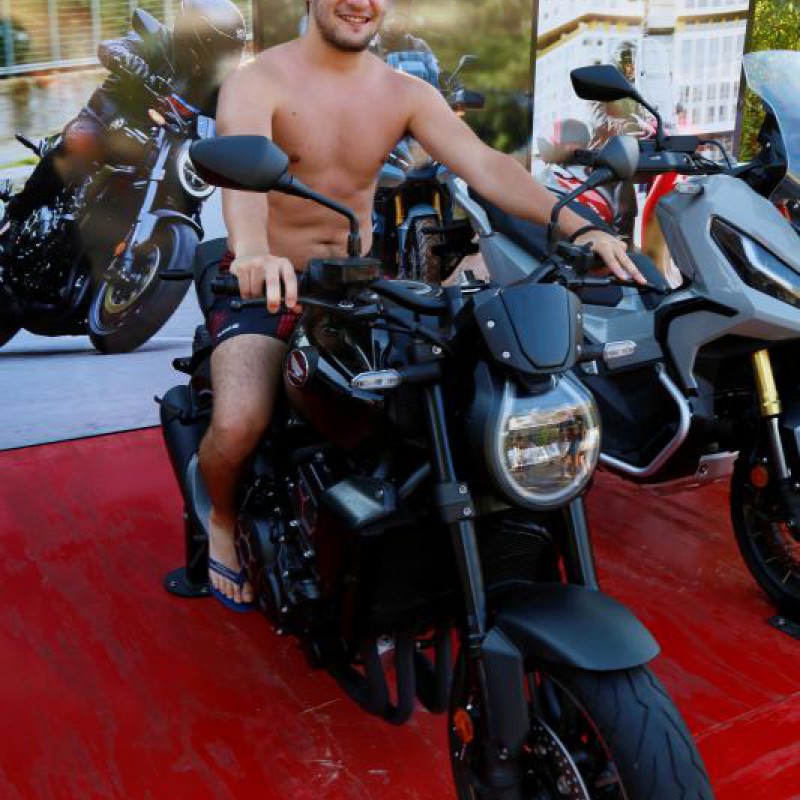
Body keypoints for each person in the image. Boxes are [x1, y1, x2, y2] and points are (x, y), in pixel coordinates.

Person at [204, 0, 647, 608]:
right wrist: (254, 250)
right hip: (271, 280)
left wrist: (580, 228)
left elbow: (487, 166)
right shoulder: (259, 81)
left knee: (433, 396)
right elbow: (244, 175)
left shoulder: (404, 92)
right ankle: (220, 521)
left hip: (357, 284)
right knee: (239, 422)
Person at [0, 0, 246, 239]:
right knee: (80, 142)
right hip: (113, 124)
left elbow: (236, 122)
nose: (227, 55)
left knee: (190, 203)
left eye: (231, 48)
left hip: (164, 151)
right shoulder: (160, 42)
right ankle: (14, 217)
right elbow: (114, 46)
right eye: (222, 46)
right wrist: (125, 58)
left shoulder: (224, 88)